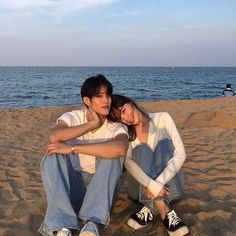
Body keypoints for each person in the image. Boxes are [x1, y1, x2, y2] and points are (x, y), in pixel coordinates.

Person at [39, 75, 129, 236]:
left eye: (108, 95)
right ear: (87, 101)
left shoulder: (116, 126)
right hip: (76, 187)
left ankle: (91, 225)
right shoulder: (74, 117)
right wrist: (91, 124)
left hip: (102, 192)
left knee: (113, 154)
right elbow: (54, 137)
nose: (106, 100)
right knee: (53, 153)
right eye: (99, 96)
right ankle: (62, 227)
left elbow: (121, 148)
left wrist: (73, 148)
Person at [108, 94, 189, 236]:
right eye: (120, 118)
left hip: (169, 187)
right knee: (141, 149)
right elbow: (128, 163)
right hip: (140, 191)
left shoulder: (163, 118)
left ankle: (150, 207)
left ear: (130, 102)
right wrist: (151, 185)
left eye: (124, 110)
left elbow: (181, 153)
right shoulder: (126, 133)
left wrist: (157, 184)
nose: (126, 118)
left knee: (165, 144)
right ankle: (164, 210)